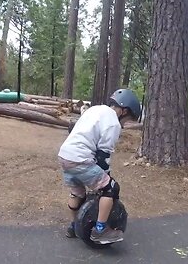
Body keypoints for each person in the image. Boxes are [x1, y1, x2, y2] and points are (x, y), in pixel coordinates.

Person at [58, 88, 141, 244]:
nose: (125, 124)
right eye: (128, 119)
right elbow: (103, 157)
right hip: (80, 158)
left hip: (65, 155)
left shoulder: (96, 110)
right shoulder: (113, 124)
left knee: (77, 193)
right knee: (110, 188)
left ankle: (74, 227)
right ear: (123, 111)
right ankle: (100, 231)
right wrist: (106, 178)